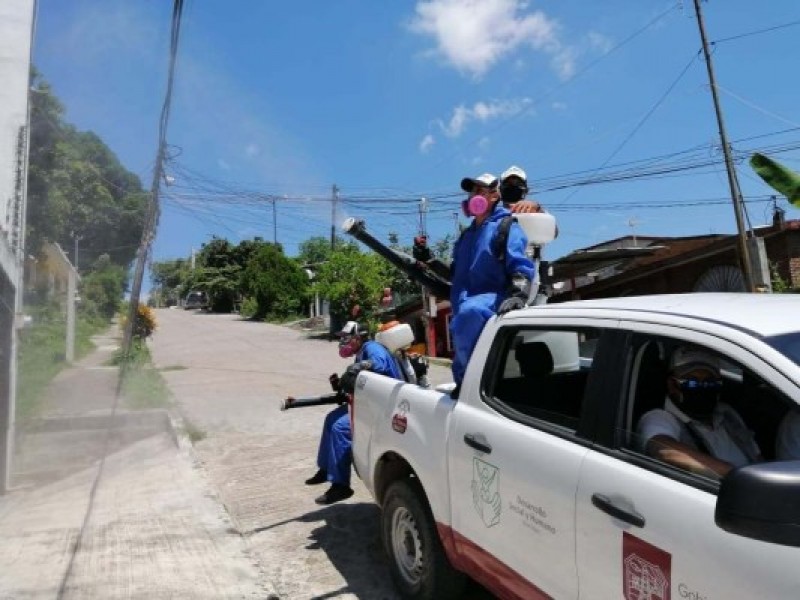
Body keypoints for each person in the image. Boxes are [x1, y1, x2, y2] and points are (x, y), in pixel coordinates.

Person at [449, 172, 535, 397]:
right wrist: (426, 260)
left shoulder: (505, 226)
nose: (474, 195)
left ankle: (472, 385)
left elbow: (520, 263)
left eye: (480, 191)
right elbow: (455, 272)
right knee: (462, 322)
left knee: (469, 313)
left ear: (495, 195)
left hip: (491, 297)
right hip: (463, 301)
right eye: (472, 191)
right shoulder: (466, 235)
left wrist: (518, 293)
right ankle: (464, 383)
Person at [305, 321, 403, 504]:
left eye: (346, 338)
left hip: (384, 407)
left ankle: (341, 486)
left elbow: (378, 364)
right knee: (331, 419)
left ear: (358, 338)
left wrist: (359, 367)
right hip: (368, 403)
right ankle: (326, 469)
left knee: (340, 428)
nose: (343, 342)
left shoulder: (372, 347)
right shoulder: (361, 352)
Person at [636, 345, 762, 479]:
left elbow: (757, 457)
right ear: (673, 385)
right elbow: (664, 451)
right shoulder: (660, 418)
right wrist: (736, 476)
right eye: (692, 383)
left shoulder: (727, 414)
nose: (702, 388)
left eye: (710, 383)